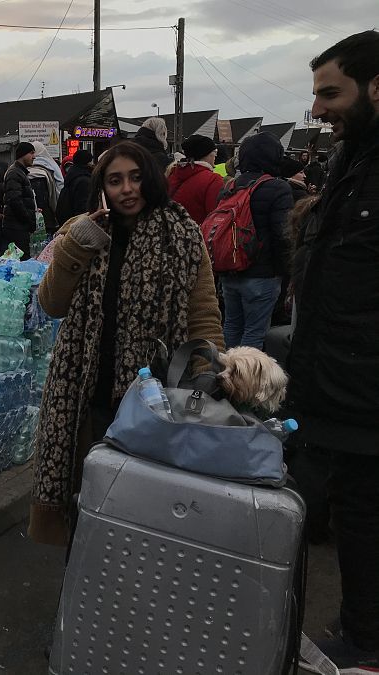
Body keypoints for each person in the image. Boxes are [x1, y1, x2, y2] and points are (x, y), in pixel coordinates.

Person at [29, 141, 223, 546]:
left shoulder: (183, 235)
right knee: (91, 498)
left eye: (135, 177)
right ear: (102, 187)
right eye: (115, 180)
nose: (127, 189)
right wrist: (83, 239)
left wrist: (210, 379)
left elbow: (203, 314)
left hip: (156, 396)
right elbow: (51, 302)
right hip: (89, 389)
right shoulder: (82, 231)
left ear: (150, 179)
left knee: (143, 506)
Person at [285, 30, 379, 669]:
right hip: (332, 391)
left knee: (364, 522)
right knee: (350, 522)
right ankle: (361, 633)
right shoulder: (354, 158)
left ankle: (366, 643)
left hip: (364, 396)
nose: (316, 108)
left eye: (329, 92)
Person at [219, 132, 293, 350]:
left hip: (230, 270)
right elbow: (283, 235)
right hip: (262, 274)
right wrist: (286, 271)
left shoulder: (229, 187)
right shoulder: (277, 188)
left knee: (231, 326)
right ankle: (247, 383)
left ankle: (226, 376)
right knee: (255, 332)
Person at [167, 134, 224, 225]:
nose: (215, 156)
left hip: (173, 233)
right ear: (206, 154)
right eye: (214, 152)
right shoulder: (213, 180)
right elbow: (215, 217)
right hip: (197, 235)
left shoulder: (173, 174)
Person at [1, 142, 37, 259]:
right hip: (16, 227)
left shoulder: (20, 172)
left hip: (19, 226)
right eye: (31, 153)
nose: (34, 157)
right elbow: (15, 200)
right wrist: (28, 219)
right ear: (23, 154)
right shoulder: (15, 173)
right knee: (20, 260)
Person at [28, 142, 64, 234]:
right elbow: (59, 185)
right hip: (48, 212)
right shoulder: (51, 165)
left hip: (28, 214)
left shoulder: (25, 168)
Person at [55, 149, 94, 224]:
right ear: (87, 162)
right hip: (78, 224)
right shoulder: (84, 180)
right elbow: (82, 208)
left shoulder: (72, 175)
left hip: (69, 221)